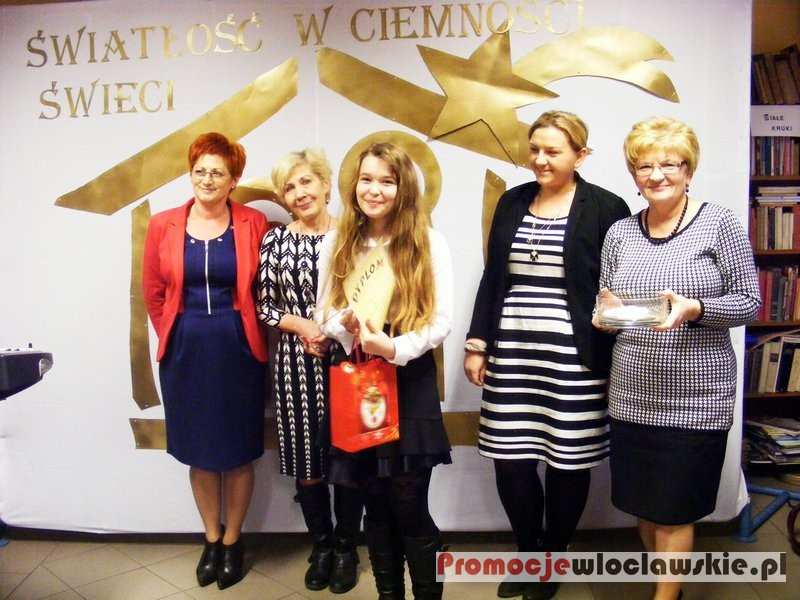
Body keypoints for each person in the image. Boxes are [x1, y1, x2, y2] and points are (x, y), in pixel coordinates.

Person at [464, 111, 630, 600]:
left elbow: (617, 284)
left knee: (567, 462)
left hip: (576, 358)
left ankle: (552, 557)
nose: (539, 159)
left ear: (581, 155)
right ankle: (528, 553)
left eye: (553, 151)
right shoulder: (513, 201)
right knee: (510, 460)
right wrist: (478, 342)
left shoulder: (607, 207)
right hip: (513, 350)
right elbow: (494, 276)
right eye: (534, 149)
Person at [595, 117, 760, 600]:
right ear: (633, 174)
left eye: (669, 164)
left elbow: (749, 301)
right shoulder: (620, 233)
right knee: (645, 507)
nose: (657, 175)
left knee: (674, 511)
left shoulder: (719, 223)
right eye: (644, 166)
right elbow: (606, 306)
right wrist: (606, 316)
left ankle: (666, 597)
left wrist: (697, 309)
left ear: (689, 170)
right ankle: (668, 586)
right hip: (632, 397)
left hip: (696, 400)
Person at [315, 142, 453, 600]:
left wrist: (392, 347)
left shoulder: (428, 242)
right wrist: (347, 327)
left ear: (404, 187)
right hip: (357, 379)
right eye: (366, 179)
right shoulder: (339, 241)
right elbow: (324, 313)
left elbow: (441, 322)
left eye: (386, 181)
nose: (374, 190)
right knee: (374, 505)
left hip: (407, 378)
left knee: (409, 505)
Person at [142, 132, 267, 590]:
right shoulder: (164, 224)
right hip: (186, 350)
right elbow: (153, 291)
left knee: (237, 452)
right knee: (199, 451)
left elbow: (264, 288)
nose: (208, 179)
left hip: (238, 347)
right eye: (200, 171)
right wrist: (172, 333)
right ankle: (211, 538)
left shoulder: (254, 222)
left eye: (218, 172)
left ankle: (234, 541)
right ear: (190, 173)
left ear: (234, 180)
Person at [257, 148, 363, 593]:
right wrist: (303, 326)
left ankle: (347, 548)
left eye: (305, 181)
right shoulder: (275, 242)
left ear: (324, 184)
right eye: (289, 187)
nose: (299, 193)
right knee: (307, 460)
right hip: (294, 364)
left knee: (349, 459)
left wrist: (332, 332)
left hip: (348, 361)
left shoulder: (353, 235)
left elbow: (369, 297)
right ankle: (321, 546)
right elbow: (264, 306)